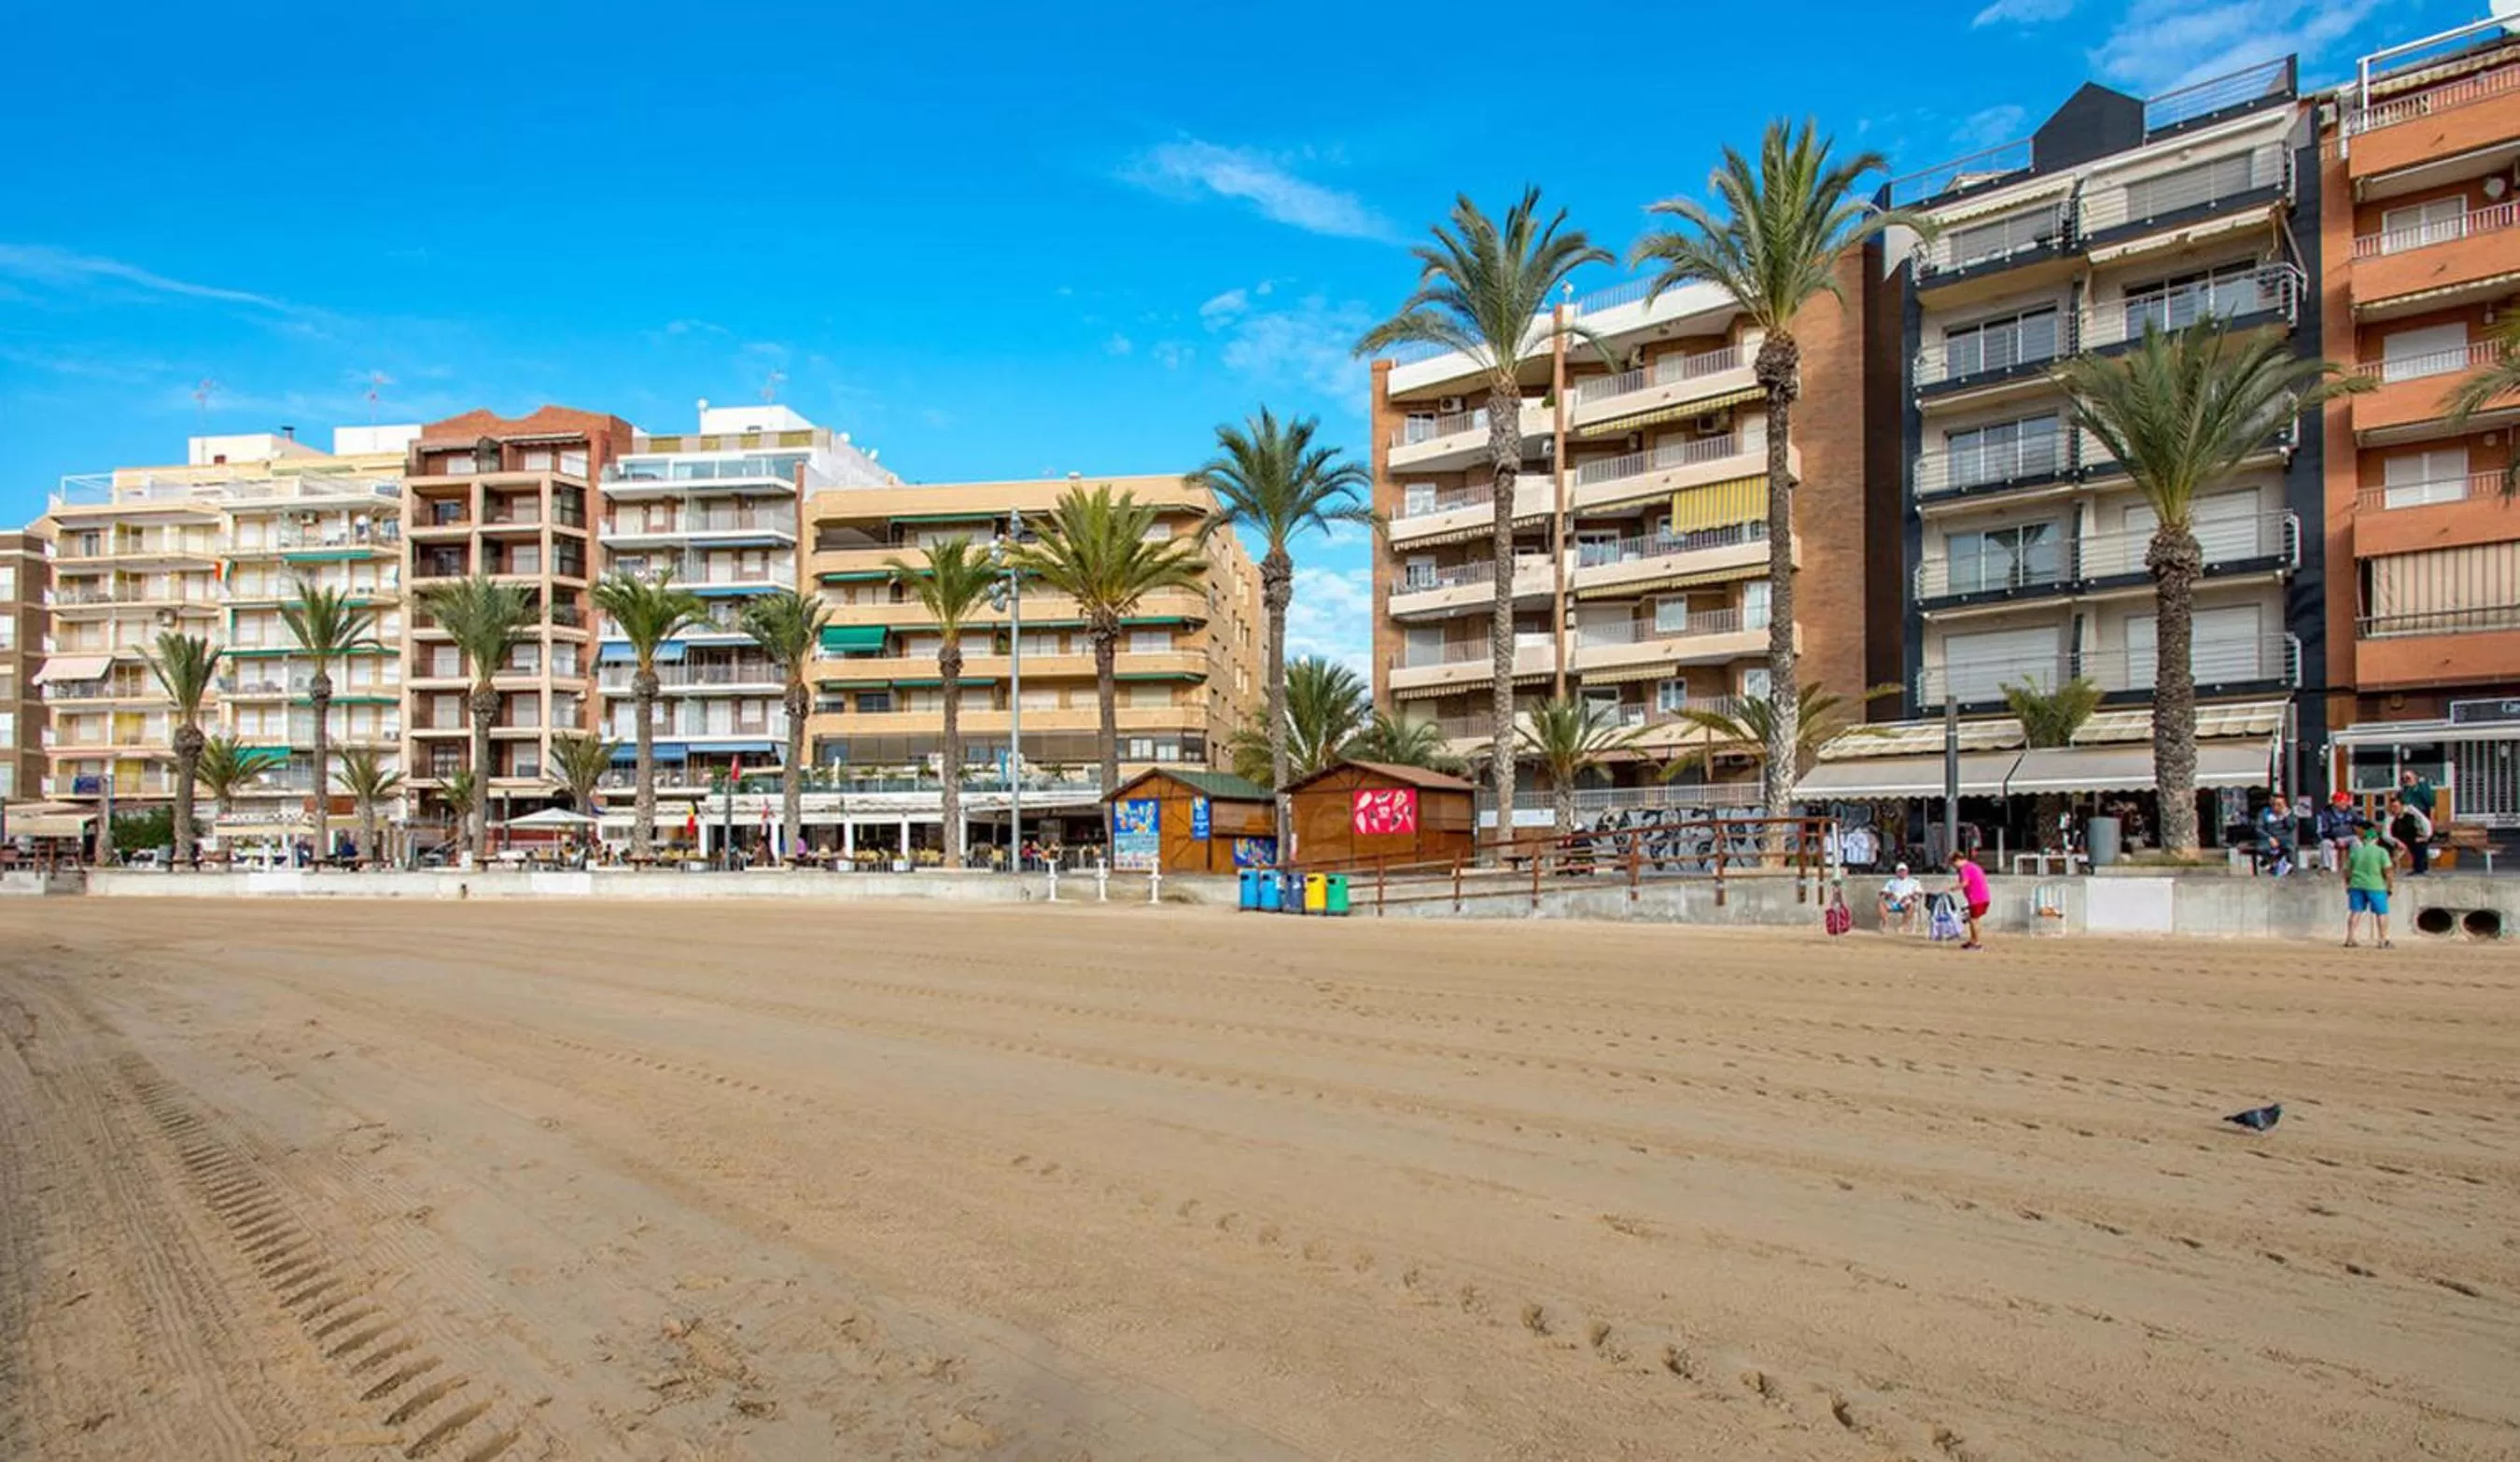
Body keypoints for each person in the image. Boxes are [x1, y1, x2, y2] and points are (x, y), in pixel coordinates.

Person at [2344, 822, 2394, 949]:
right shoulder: (2381, 852)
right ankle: (2383, 939)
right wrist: (2389, 887)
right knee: (2381, 913)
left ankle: (2350, 938)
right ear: (2376, 839)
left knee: (2355, 911)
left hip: (2356, 884)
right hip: (2376, 885)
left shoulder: (2356, 851)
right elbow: (2388, 871)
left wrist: (2348, 883)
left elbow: (2346, 870)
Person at [1951, 850, 1991, 950]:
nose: (1954, 866)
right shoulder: (1972, 866)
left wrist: (1953, 888)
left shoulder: (1965, 868)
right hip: (1981, 897)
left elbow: (1965, 882)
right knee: (1973, 919)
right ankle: (1973, 940)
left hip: (1977, 898)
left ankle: (1976, 943)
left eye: (1953, 864)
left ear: (1957, 860)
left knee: (1974, 920)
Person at [2387, 794, 2431, 878]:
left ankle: (2420, 869)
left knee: (2420, 842)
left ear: (2402, 806)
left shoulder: (2412, 811)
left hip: (2411, 836)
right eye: (2392, 807)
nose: (2393, 809)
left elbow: (2425, 822)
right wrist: (2396, 842)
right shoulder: (2390, 816)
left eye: (2395, 807)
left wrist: (2426, 836)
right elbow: (2385, 834)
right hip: (2397, 837)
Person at [1878, 862, 1925, 934]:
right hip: (1893, 903)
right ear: (1897, 872)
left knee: (1911, 905)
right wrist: (1890, 894)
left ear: (1907, 871)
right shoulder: (1891, 882)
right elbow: (1882, 892)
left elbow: (1920, 892)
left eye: (1903, 871)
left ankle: (1903, 926)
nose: (1902, 873)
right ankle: (1886, 924)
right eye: (1900, 871)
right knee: (1880, 904)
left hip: (1906, 903)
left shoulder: (1914, 882)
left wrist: (1909, 896)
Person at [2317, 792, 2358, 874]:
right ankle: (2326, 867)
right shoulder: (2325, 812)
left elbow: (2359, 821)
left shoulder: (2350, 811)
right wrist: (2335, 839)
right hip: (2331, 838)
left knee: (2356, 841)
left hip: (2347, 837)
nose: (2346, 803)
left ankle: (2355, 866)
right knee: (2325, 843)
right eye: (2343, 801)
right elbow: (2322, 831)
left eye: (2346, 801)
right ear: (2336, 803)